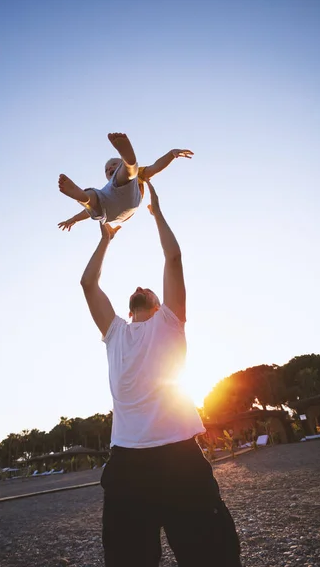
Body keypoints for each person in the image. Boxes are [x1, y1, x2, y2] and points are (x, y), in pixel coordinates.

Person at [80, 180, 242, 567]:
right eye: (137, 288)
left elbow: (173, 259)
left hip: (179, 459)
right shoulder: (115, 332)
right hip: (126, 467)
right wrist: (106, 238)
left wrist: (156, 212)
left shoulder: (170, 322)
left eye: (147, 289)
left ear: (155, 303)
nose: (140, 286)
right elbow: (88, 284)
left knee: (212, 557)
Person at [58, 132, 193, 230]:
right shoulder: (105, 190)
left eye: (114, 164)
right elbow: (87, 212)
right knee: (92, 200)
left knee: (128, 175)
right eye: (107, 170)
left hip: (125, 201)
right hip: (110, 213)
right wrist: (74, 219)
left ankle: (129, 164)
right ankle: (84, 197)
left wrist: (171, 154)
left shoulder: (134, 176)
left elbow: (156, 167)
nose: (110, 168)